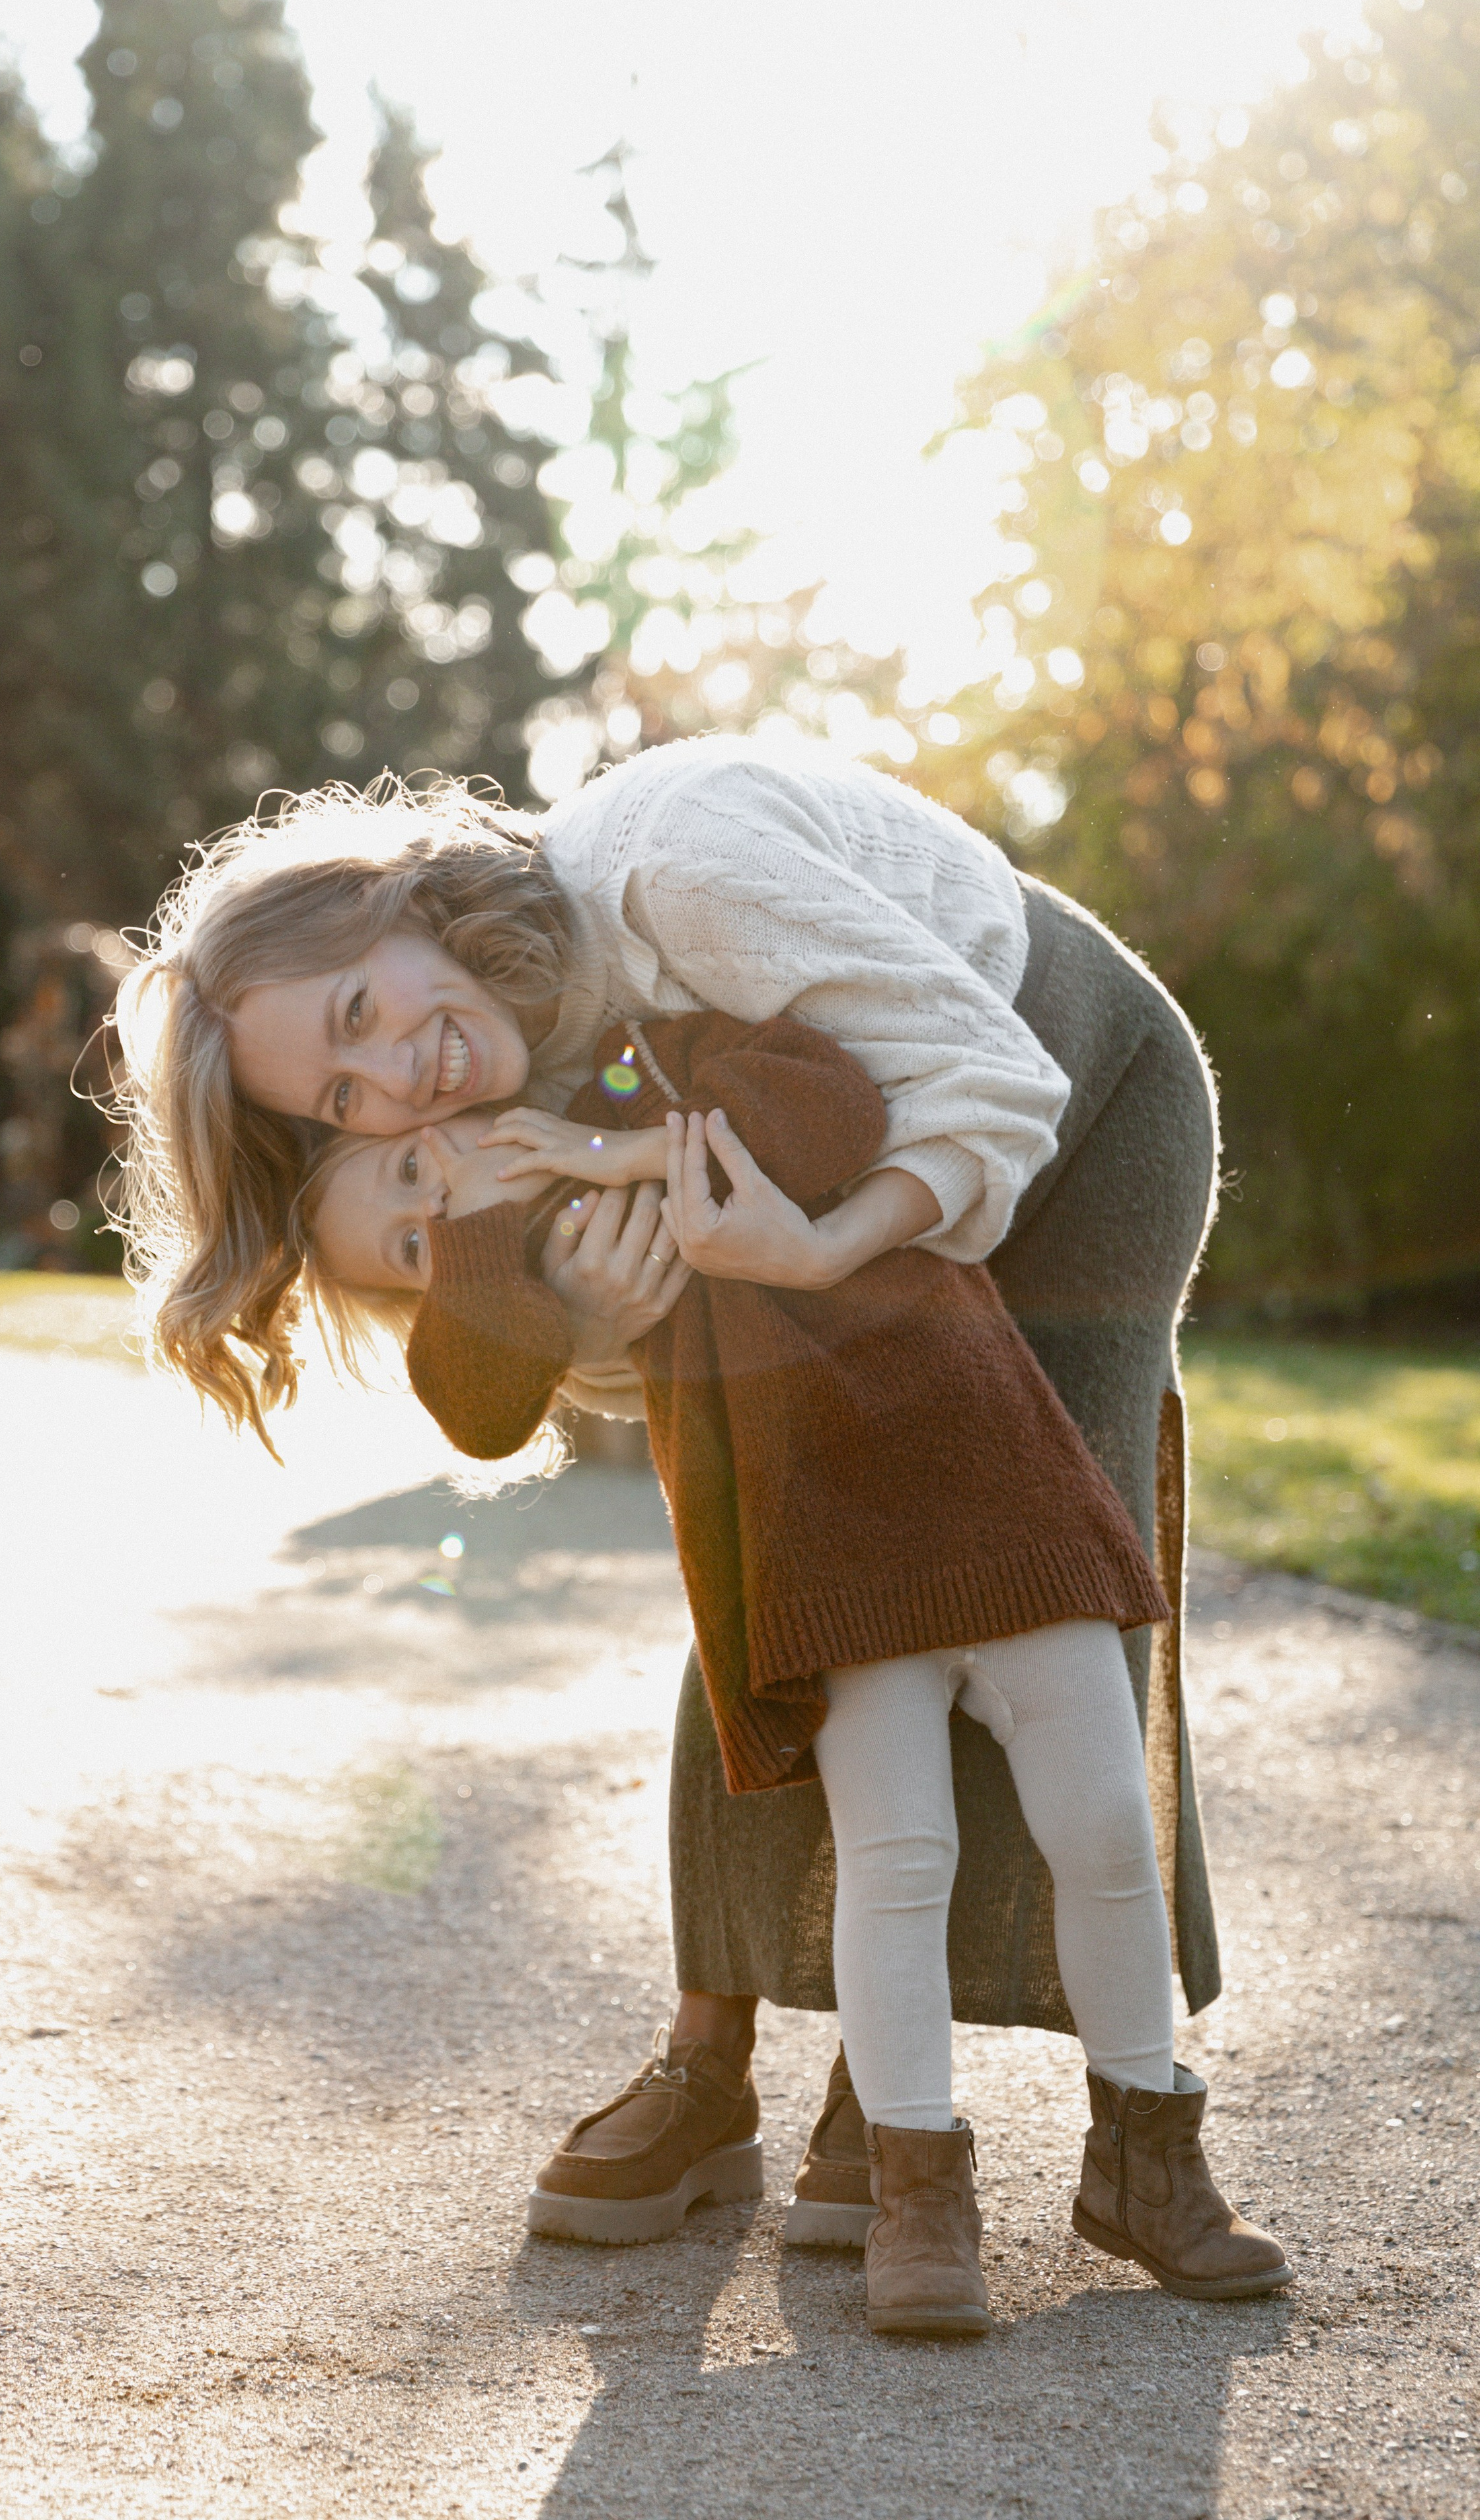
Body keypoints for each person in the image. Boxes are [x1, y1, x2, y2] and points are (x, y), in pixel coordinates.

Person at [112, 736, 1251, 2303]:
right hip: (828, 1151)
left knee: (1033, 1564)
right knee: (767, 1554)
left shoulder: (670, 860)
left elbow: (988, 1077)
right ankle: (709, 2060)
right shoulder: (517, 1058)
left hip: (1065, 1086)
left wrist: (817, 1244)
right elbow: (523, 1352)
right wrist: (573, 1294)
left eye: (361, 1012)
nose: (397, 1080)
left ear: (395, 904)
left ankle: (945, 2090)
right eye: (343, 1092)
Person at [290, 1002, 1286, 2330]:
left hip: (999, 1481)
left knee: (1105, 1822)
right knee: (893, 1858)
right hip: (835, 1564)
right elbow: (473, 1404)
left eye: (420, 1166)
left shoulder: (632, 1064)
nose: (446, 1197)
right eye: (408, 1241)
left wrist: (602, 1147)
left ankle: (1148, 2168)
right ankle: (915, 2200)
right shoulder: (540, 1278)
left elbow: (830, 1107)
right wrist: (479, 1225)